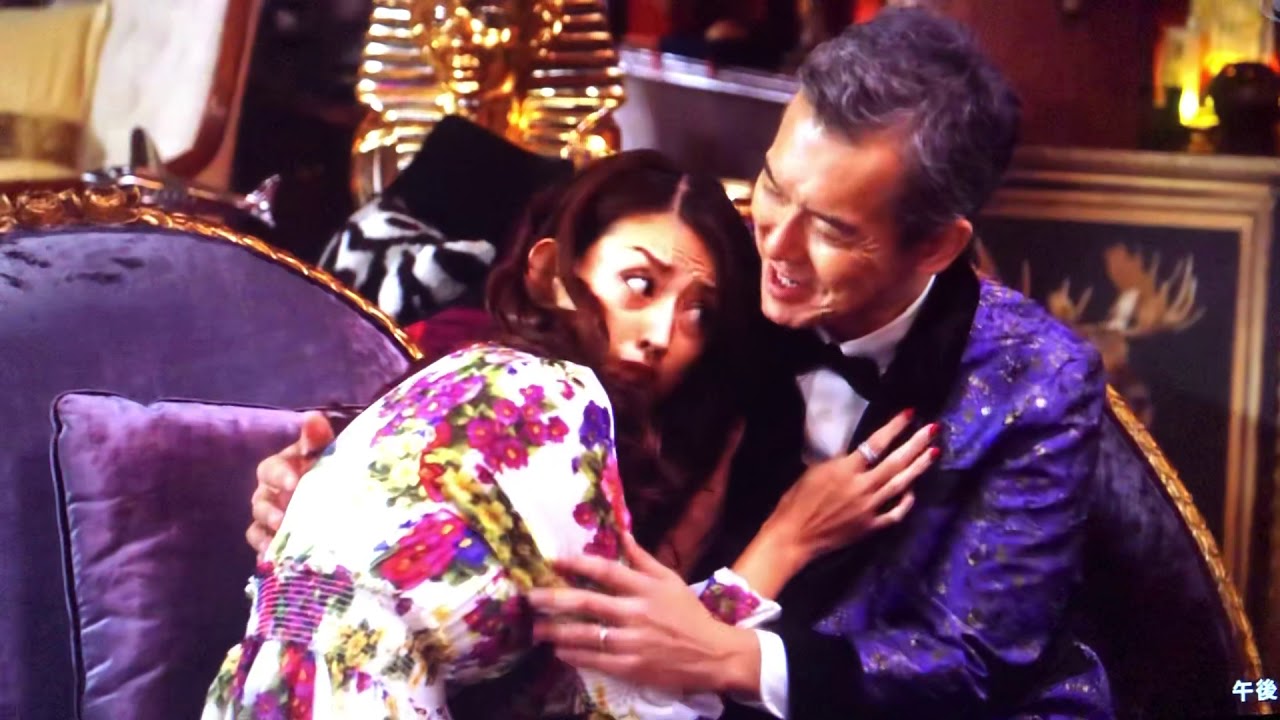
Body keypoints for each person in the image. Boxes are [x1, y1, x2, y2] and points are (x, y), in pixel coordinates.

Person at [520, 9, 1115, 720]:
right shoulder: (719, 277)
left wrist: (734, 658)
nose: (777, 247)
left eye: (832, 229)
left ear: (934, 247)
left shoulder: (1039, 381)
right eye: (774, 187)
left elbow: (978, 662)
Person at [219, 150, 936, 719]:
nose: (662, 335)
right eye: (640, 284)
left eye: (700, 313)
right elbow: (619, 697)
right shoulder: (549, 397)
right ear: (549, 274)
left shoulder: (494, 393)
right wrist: (790, 537)